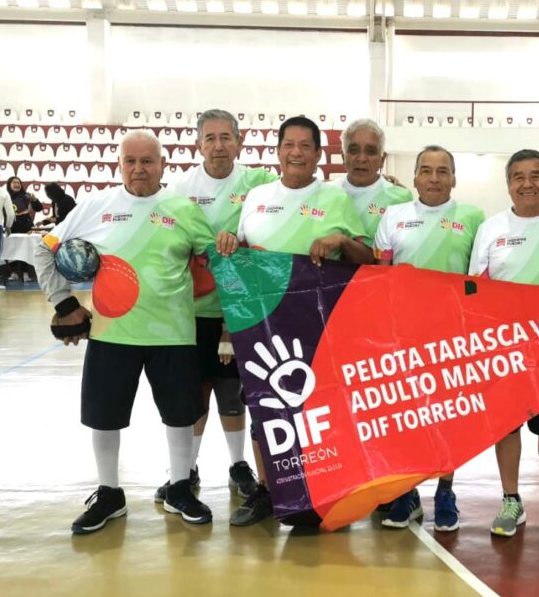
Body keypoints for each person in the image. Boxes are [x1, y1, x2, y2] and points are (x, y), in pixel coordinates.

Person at [33, 128, 216, 534]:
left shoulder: (183, 209)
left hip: (173, 334)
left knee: (180, 416)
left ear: (163, 165)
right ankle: (109, 494)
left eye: (147, 161)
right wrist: (65, 305)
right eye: (130, 161)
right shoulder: (96, 205)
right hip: (111, 334)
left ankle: (180, 488)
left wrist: (230, 322)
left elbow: (215, 262)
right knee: (104, 417)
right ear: (119, 165)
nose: (139, 169)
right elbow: (43, 247)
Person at [215, 116, 371, 526]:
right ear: (278, 151)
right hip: (263, 327)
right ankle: (268, 492)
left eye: (305, 146)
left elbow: (368, 260)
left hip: (320, 327)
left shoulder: (337, 199)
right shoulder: (257, 197)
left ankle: (328, 491)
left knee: (321, 412)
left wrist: (342, 241)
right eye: (289, 144)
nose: (296, 152)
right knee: (264, 409)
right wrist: (229, 329)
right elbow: (240, 265)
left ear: (319, 154)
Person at [154, 108, 275, 505]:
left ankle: (239, 465)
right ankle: (186, 470)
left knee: (233, 390)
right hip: (192, 311)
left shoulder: (260, 183)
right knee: (194, 393)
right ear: (198, 144)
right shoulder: (179, 188)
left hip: (243, 310)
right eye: (210, 138)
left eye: (226, 137)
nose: (219, 145)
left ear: (240, 142)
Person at [469, 149, 539, 539]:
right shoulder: (490, 229)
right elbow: (476, 291)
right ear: (508, 185)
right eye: (518, 176)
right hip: (504, 350)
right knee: (506, 427)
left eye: (535, 175)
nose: (527, 183)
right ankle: (510, 499)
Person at [373, 145, 485, 531]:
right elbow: (381, 276)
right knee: (406, 420)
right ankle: (407, 494)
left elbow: (479, 282)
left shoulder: (473, 218)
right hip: (402, 337)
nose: (434, 178)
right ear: (415, 177)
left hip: (453, 338)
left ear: (453, 178)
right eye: (426, 170)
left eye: (442, 171)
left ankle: (445, 492)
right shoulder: (393, 216)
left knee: (448, 419)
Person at [337, 118, 413, 241]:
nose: (361, 158)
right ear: (343, 157)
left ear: (382, 159)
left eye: (370, 152)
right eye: (354, 150)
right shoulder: (326, 193)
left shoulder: (401, 199)